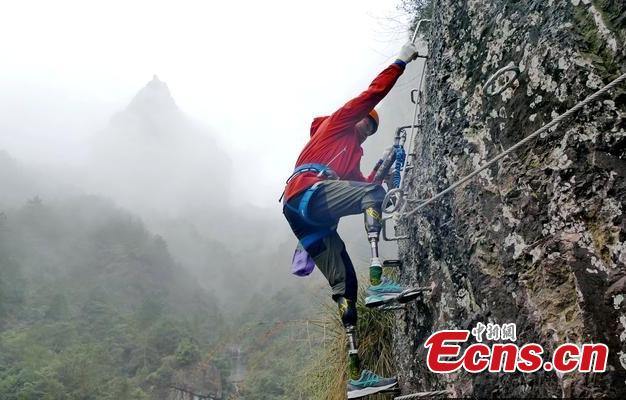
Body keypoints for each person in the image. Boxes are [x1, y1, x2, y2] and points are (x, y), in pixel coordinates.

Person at [281, 41, 420, 398]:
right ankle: (379, 281)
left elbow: (367, 187)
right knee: (370, 197)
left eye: (372, 129)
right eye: (368, 122)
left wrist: (387, 169)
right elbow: (372, 94)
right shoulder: (335, 126)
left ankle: (356, 376)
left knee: (345, 286)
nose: (368, 128)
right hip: (307, 192)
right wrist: (401, 62)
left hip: (306, 217)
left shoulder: (350, 157)